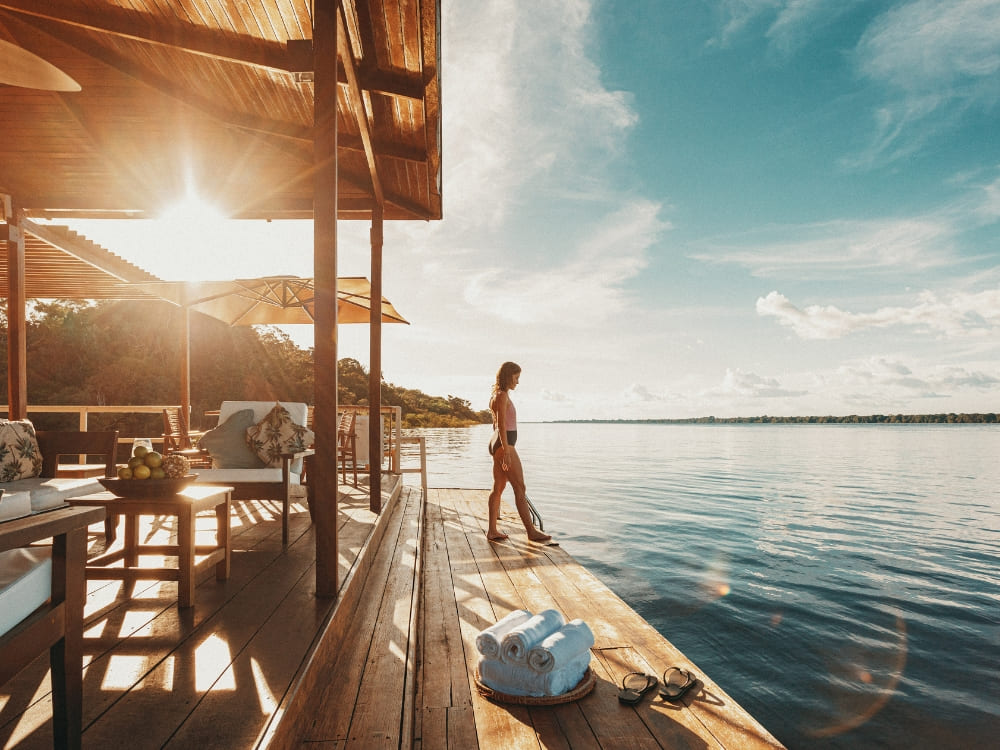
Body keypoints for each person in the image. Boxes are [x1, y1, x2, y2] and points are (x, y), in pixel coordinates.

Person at [487, 361, 552, 543]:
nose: (517, 382)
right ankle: (531, 532)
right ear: (508, 376)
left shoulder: (497, 395)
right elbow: (500, 424)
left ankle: (492, 530)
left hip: (498, 443)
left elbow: (496, 423)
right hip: (504, 445)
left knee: (498, 487)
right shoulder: (501, 396)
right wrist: (506, 450)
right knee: (520, 488)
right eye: (516, 378)